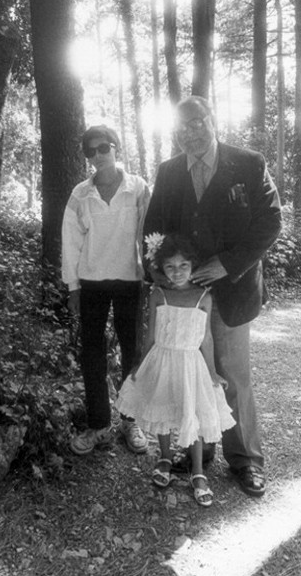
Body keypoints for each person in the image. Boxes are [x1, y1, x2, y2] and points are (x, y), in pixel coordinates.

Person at [143, 96, 282, 496]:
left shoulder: (248, 163)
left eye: (197, 121)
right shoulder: (169, 172)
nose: (191, 131)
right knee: (192, 376)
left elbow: (271, 222)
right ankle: (198, 449)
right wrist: (160, 274)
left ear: (212, 119)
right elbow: (152, 230)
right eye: (182, 125)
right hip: (185, 299)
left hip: (233, 290)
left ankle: (246, 461)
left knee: (233, 377)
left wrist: (228, 263)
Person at [116, 233, 235, 507]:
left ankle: (198, 471)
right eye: (170, 267)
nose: (177, 272)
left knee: (190, 414)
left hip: (191, 365)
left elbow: (206, 338)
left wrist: (213, 372)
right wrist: (140, 362)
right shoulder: (158, 294)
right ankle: (165, 457)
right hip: (162, 360)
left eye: (183, 266)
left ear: (193, 265)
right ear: (161, 269)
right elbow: (151, 335)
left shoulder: (204, 296)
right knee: (164, 408)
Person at [61, 124, 150, 456]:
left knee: (133, 351)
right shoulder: (80, 194)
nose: (98, 155)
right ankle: (99, 425)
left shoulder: (139, 188)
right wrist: (73, 288)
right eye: (91, 151)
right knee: (92, 354)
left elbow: (150, 234)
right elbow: (71, 243)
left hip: (130, 281)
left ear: (117, 148)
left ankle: (130, 420)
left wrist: (155, 276)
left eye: (104, 147)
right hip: (92, 284)